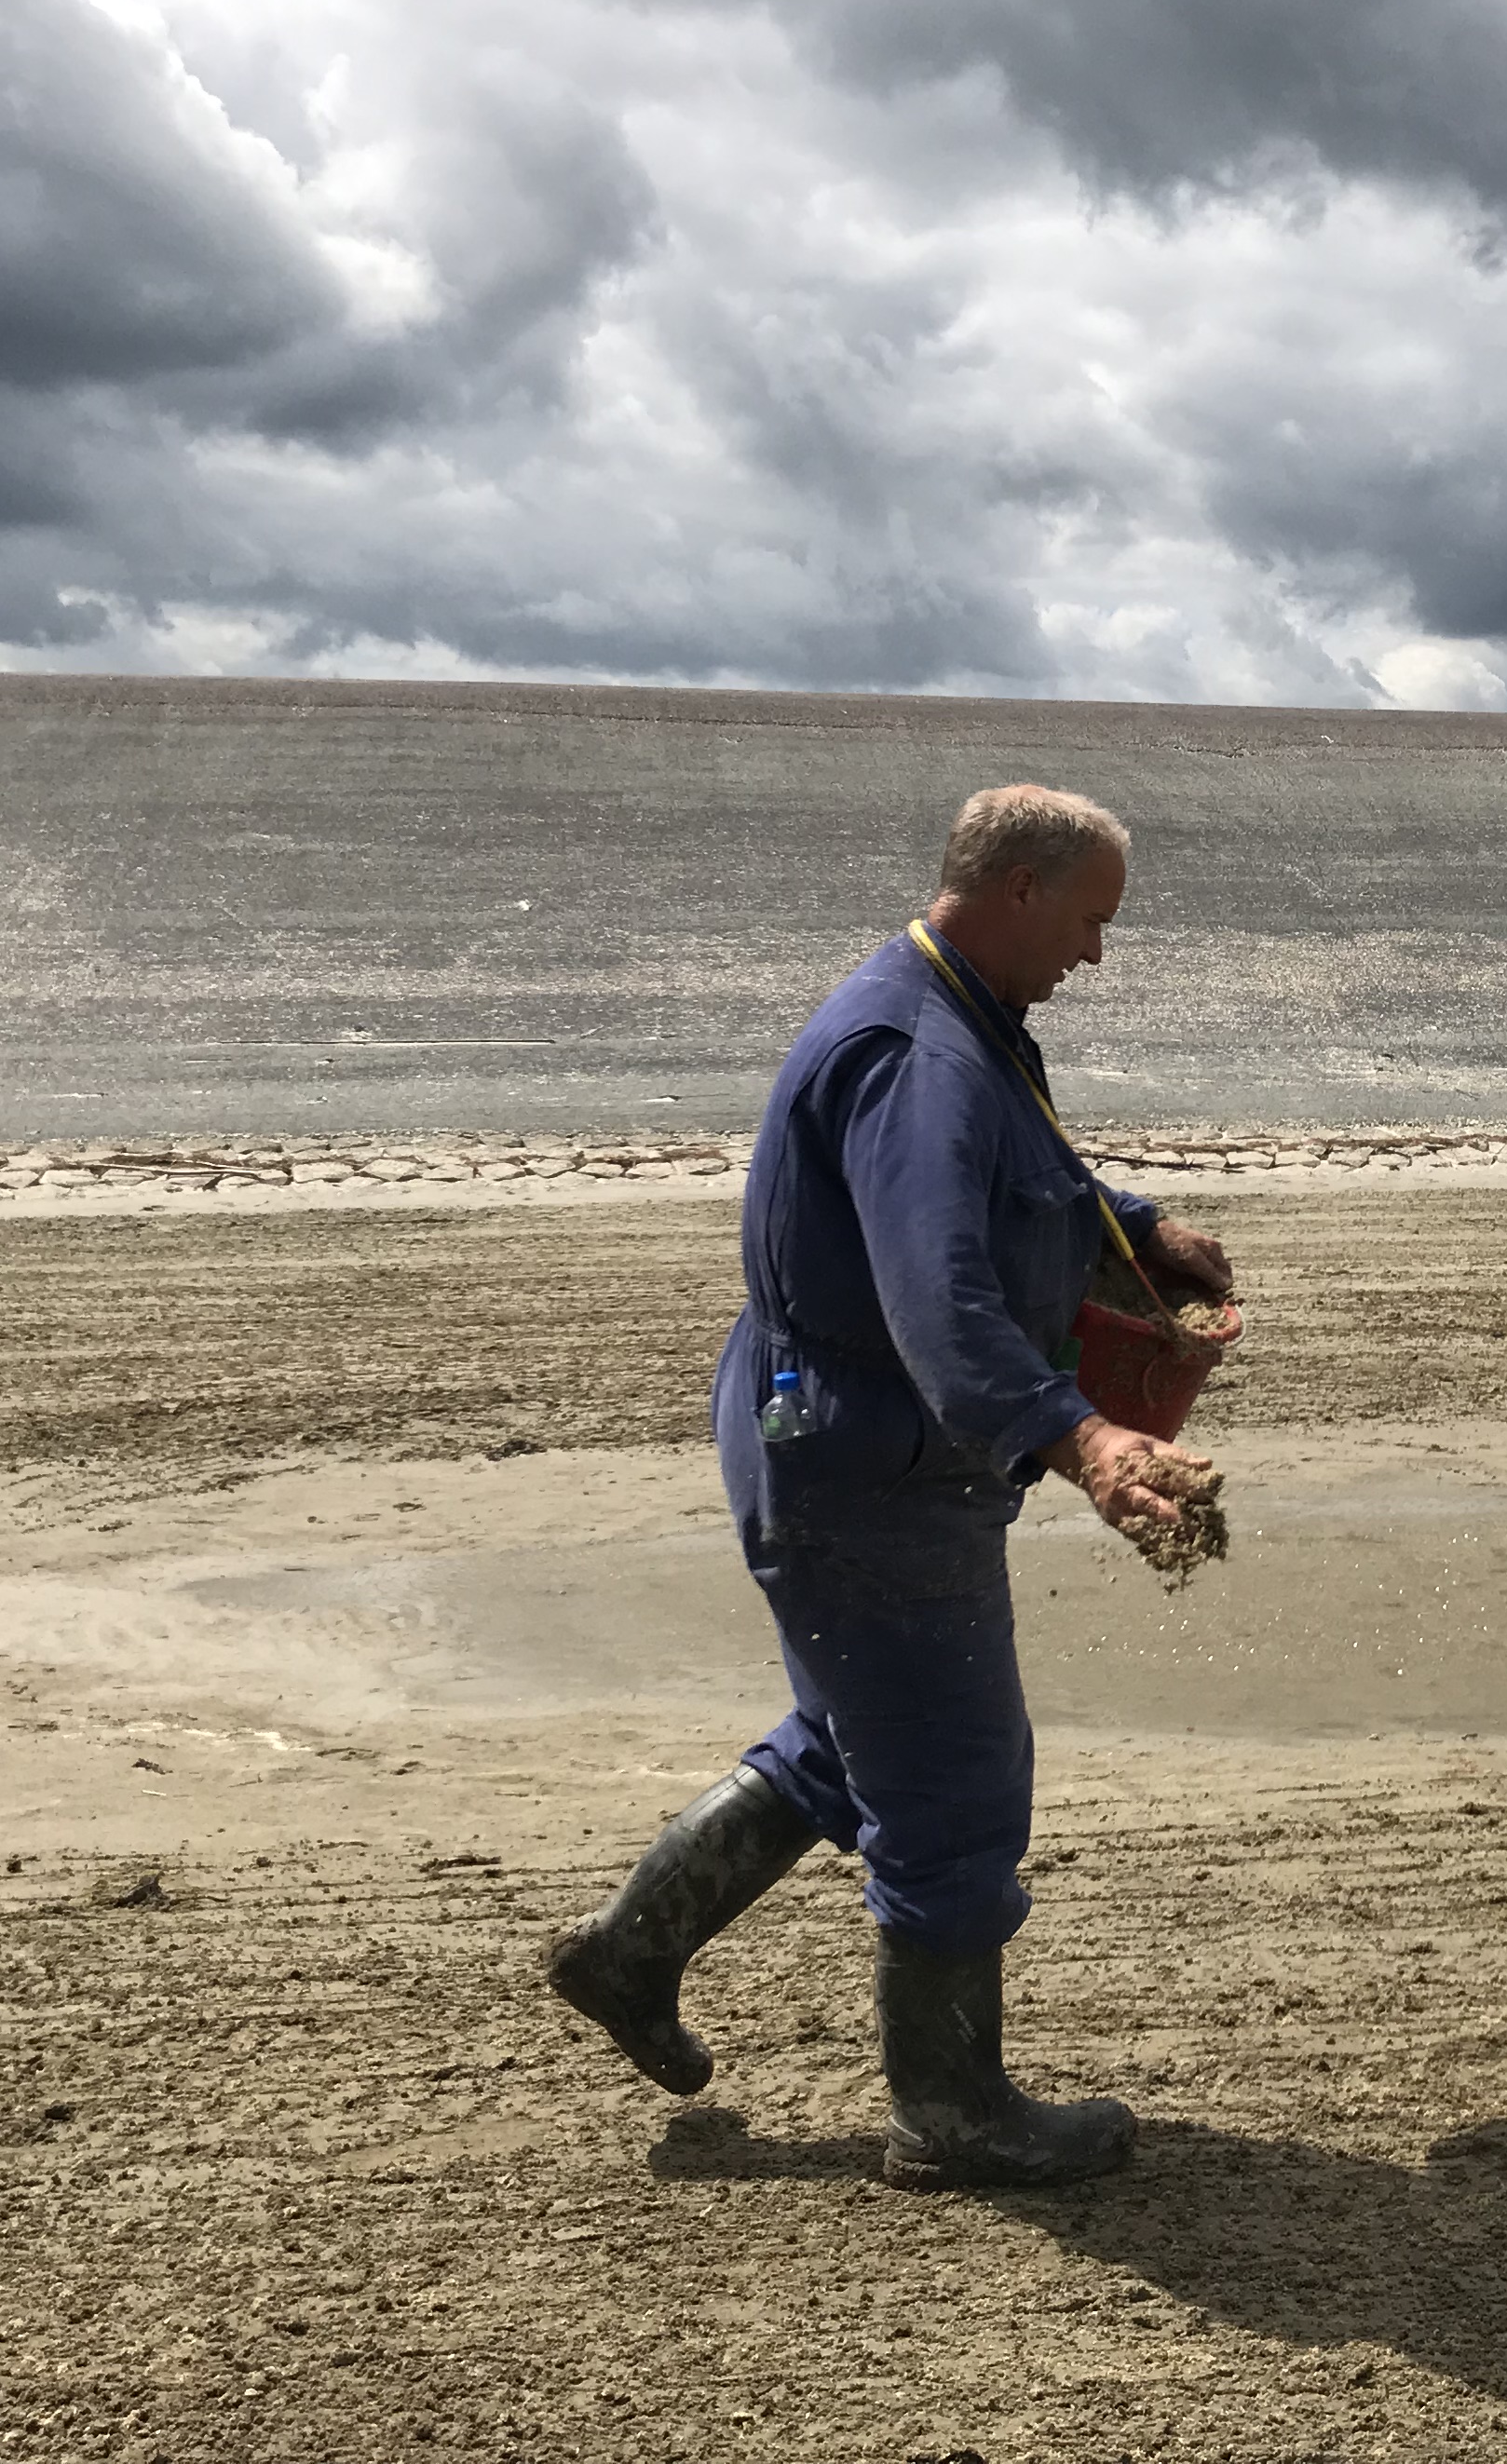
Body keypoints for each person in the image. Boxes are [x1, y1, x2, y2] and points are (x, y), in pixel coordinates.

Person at [544, 783, 1230, 2191]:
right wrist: (1087, 1439)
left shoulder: (962, 1018)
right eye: (1092, 921)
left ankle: (633, 1950)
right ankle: (952, 2109)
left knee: (856, 1732)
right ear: (1023, 889)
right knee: (957, 1778)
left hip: (839, 1441)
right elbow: (939, 1299)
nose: (1096, 955)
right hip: (866, 1458)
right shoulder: (917, 1054)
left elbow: (1012, 1184)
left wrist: (1137, 1233)